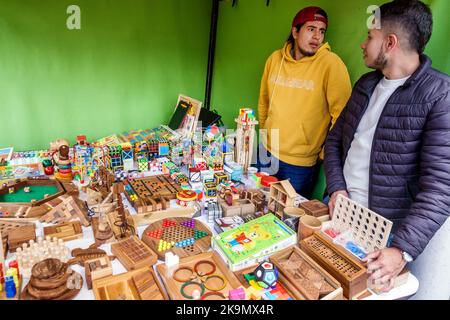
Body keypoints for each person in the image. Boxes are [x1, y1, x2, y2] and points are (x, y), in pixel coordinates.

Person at [324, 0, 450, 297]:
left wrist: (402, 250)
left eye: (370, 36)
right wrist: (336, 189)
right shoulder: (365, 84)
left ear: (390, 42)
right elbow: (333, 143)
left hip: (387, 237)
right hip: (340, 217)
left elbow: (440, 187)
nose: (362, 44)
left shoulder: (439, 95)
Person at [257, 6, 351, 198]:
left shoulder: (331, 64)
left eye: (321, 31)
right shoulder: (275, 59)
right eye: (311, 29)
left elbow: (342, 116)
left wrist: (324, 154)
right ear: (295, 31)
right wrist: (265, 135)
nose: (317, 36)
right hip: (265, 151)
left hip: (299, 163)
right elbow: (264, 101)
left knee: (286, 221)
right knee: (253, 206)